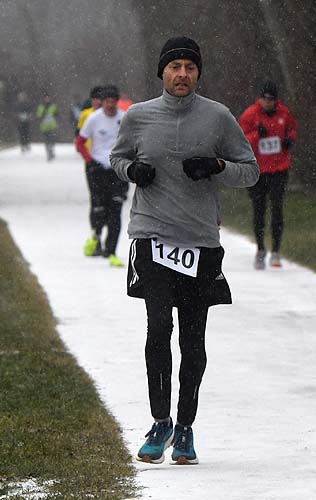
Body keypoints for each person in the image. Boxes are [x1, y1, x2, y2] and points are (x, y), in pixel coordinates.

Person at [110, 36, 259, 465]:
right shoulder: (138, 117)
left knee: (193, 339)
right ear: (162, 73)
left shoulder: (218, 117)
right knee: (159, 330)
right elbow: (117, 159)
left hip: (198, 241)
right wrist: (132, 170)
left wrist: (216, 167)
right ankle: (160, 423)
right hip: (151, 236)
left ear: (198, 73)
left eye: (190, 67)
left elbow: (249, 172)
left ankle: (186, 427)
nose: (182, 74)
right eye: (174, 66)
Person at [237, 79, 297, 269]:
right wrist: (256, 135)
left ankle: (276, 251)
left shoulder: (284, 113)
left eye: (271, 100)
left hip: (279, 168)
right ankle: (261, 249)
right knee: (259, 210)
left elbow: (292, 129)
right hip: (257, 171)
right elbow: (239, 142)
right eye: (264, 99)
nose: (267, 103)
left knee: (277, 208)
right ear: (259, 98)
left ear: (276, 100)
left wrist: (290, 140)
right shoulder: (249, 115)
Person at [75, 85, 128, 267]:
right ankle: (96, 235)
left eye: (113, 102)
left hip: (118, 170)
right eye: (107, 102)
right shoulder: (93, 119)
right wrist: (89, 160)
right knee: (100, 208)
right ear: (102, 102)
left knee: (116, 209)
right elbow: (80, 142)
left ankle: (111, 250)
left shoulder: (124, 119)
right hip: (97, 169)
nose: (110, 105)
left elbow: (134, 141)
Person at [76, 86, 104, 256]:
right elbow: (78, 136)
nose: (98, 102)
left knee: (109, 202)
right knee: (96, 200)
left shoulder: (111, 116)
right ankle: (96, 236)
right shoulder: (86, 115)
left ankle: (105, 238)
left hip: (107, 164)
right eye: (95, 99)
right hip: (92, 163)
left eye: (100, 99)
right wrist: (87, 158)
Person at [36, 94, 59, 161]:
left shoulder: (53, 106)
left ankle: (51, 151)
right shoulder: (41, 107)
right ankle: (48, 153)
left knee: (52, 139)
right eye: (46, 98)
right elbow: (38, 115)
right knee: (46, 140)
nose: (47, 99)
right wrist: (43, 113)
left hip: (52, 126)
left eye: (48, 98)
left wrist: (54, 115)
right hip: (44, 126)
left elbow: (57, 114)